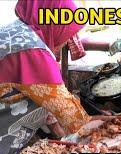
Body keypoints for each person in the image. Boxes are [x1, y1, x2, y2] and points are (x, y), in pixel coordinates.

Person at [0, 0, 112, 138]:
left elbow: (46, 96)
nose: (66, 41)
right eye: (68, 32)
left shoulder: (15, 33)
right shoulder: (31, 51)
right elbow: (69, 114)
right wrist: (103, 122)